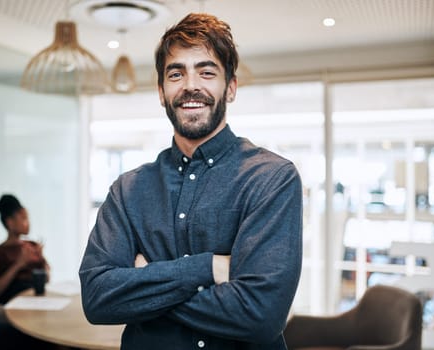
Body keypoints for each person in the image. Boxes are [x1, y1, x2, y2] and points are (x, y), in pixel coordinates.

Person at [79, 13, 303, 350]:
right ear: (161, 91)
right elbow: (97, 298)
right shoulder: (128, 190)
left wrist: (145, 282)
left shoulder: (272, 179)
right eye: (176, 73)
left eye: (207, 71)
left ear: (230, 87)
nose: (190, 85)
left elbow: (261, 315)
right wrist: (208, 268)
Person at [0, 194, 49, 304]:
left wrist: (42, 258)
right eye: (23, 218)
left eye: (28, 218)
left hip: (37, 300)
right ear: (10, 222)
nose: (28, 223)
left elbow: (47, 279)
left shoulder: (32, 246)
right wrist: (18, 265)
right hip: (14, 303)